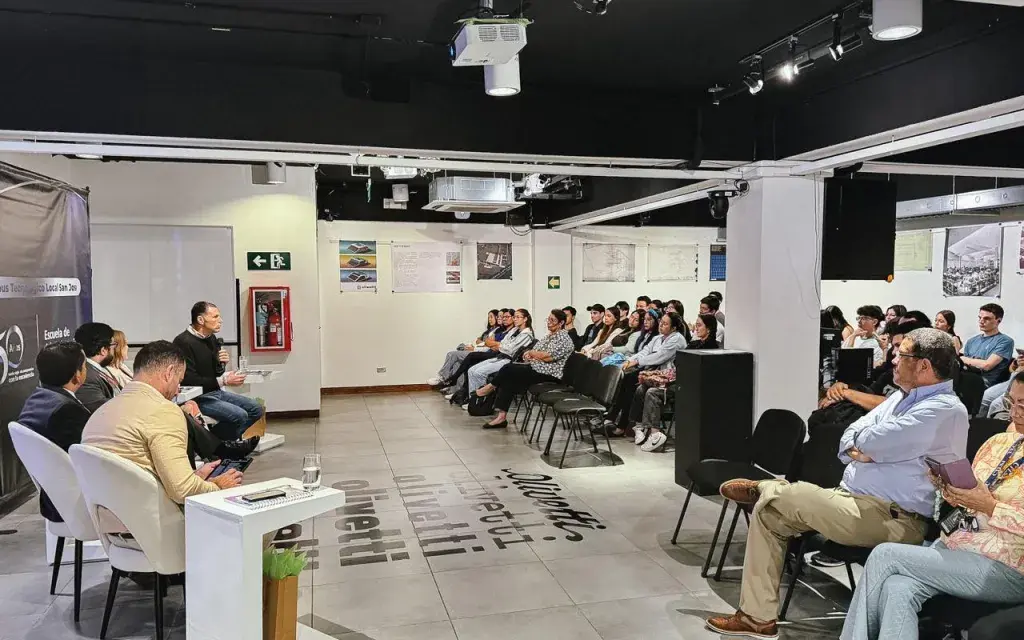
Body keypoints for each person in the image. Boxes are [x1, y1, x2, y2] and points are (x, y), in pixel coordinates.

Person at [706, 328, 969, 639]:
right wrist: (867, 448)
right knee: (769, 514)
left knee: (787, 494)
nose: (893, 360)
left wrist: (869, 445)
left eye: (902, 355)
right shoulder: (901, 397)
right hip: (851, 501)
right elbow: (851, 434)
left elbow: (873, 440)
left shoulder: (945, 409)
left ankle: (764, 487)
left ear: (924, 365)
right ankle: (757, 619)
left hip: (895, 518)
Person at [840, 372, 1024, 640]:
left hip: (1007, 564)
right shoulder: (997, 443)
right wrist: (947, 487)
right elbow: (968, 495)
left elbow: (987, 504)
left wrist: (991, 507)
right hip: (959, 544)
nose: (1014, 413)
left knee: (884, 555)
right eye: (1011, 403)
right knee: (898, 588)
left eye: (1022, 405)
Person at [82, 341, 243, 505]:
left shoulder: (102, 412)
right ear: (169, 373)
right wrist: (217, 486)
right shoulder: (163, 411)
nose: (178, 389)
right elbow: (183, 491)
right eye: (179, 380)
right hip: (153, 513)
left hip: (108, 511)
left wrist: (195, 478)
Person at [16, 341, 91, 522]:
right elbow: (89, 457)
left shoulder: (37, 399)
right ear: (77, 375)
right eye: (84, 366)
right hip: (77, 504)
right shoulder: (67, 411)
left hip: (52, 498)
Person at [173, 301, 264, 441]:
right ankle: (214, 444)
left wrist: (221, 363)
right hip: (197, 397)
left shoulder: (211, 338)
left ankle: (216, 441)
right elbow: (189, 380)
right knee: (240, 415)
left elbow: (215, 373)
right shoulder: (183, 342)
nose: (220, 321)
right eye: (215, 317)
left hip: (215, 392)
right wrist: (224, 380)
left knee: (256, 409)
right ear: (200, 320)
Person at [630, 313, 717, 452]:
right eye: (696, 324)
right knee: (642, 387)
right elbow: (679, 362)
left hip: (691, 386)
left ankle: (655, 433)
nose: (696, 328)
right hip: (678, 379)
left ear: (709, 329)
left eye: (699, 325)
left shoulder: (712, 348)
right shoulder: (694, 343)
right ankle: (641, 427)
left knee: (652, 392)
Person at [475, 309, 575, 430]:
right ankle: (501, 417)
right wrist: (530, 353)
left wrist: (533, 353)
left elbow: (547, 357)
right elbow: (535, 351)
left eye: (552, 320)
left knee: (509, 369)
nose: (549, 322)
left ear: (561, 323)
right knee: (509, 376)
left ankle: (490, 387)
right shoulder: (549, 335)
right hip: (537, 367)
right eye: (548, 319)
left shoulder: (564, 338)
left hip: (550, 374)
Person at [596, 309, 687, 438]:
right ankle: (614, 419)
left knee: (632, 382)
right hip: (652, 371)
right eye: (661, 322)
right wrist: (629, 361)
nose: (661, 325)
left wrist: (637, 362)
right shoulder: (658, 338)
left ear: (674, 328)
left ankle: (624, 425)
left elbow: (659, 357)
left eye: (665, 324)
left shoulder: (677, 339)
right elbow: (644, 352)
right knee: (626, 378)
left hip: (667, 377)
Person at [464, 309, 535, 395]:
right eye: (514, 317)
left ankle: (480, 399)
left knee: (479, 373)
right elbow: (503, 343)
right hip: (500, 356)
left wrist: (498, 345)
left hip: (510, 361)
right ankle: (472, 399)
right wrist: (501, 345)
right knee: (471, 370)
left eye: (517, 317)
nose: (515, 319)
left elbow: (510, 349)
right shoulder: (514, 330)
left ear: (525, 319)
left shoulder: (527, 335)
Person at [430, 310, 500, 386]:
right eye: (488, 317)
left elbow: (489, 345)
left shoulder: (497, 331)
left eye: (491, 317)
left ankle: (442, 377)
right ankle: (453, 389)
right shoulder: (488, 331)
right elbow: (478, 341)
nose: (489, 319)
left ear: (497, 317)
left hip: (481, 353)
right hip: (476, 349)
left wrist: (476, 347)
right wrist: (479, 344)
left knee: (451, 354)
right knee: (457, 363)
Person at [962, 303, 1015, 388]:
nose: (981, 321)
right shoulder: (971, 341)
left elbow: (987, 365)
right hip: (967, 377)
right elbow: (965, 365)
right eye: (980, 318)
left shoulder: (1005, 341)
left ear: (998, 321)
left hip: (986, 383)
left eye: (987, 318)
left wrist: (963, 359)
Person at [74, 322, 119, 413]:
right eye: (113, 345)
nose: (115, 349)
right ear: (103, 350)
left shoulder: (97, 368)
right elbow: (104, 410)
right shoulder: (86, 377)